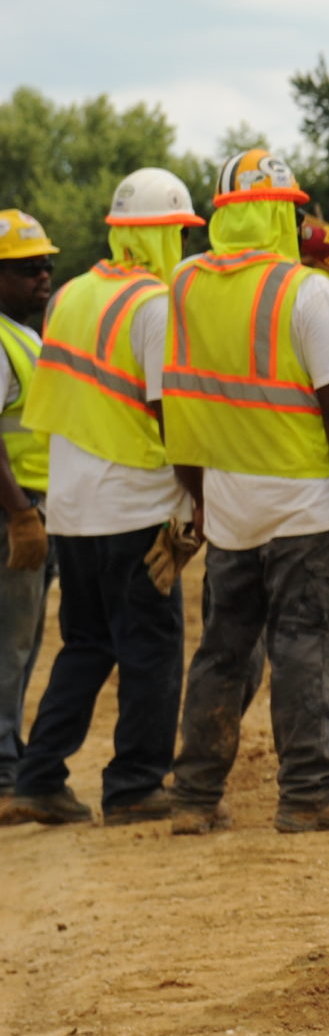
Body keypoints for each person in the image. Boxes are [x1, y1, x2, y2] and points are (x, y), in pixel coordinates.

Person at [162, 149, 329, 836]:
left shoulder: (184, 282)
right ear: (281, 212)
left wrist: (198, 497)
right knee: (305, 642)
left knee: (223, 648)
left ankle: (195, 795)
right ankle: (311, 790)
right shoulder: (307, 290)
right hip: (303, 503)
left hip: (228, 499)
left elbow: (180, 399)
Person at [0, 173, 203, 826]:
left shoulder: (70, 297)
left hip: (71, 507)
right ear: (162, 232)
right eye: (180, 230)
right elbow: (167, 411)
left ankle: (37, 779)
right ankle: (137, 784)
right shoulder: (155, 305)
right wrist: (201, 497)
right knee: (151, 644)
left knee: (86, 643)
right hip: (137, 505)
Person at [0, 209, 59, 783]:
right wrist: (20, 512)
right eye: (26, 268)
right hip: (12, 508)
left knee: (23, 641)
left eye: (45, 264)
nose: (42, 276)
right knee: (10, 643)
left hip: (32, 504)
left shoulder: (25, 336)